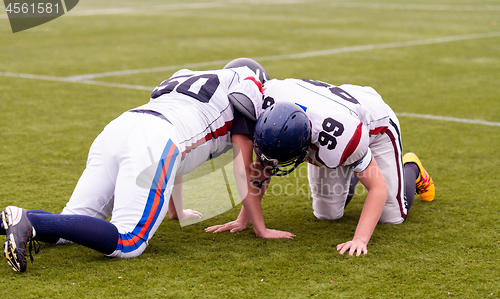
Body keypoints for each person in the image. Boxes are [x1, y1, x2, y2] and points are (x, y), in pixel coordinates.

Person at [1, 58, 295, 273]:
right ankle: (28, 221)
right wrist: (260, 228)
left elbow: (181, 151)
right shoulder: (248, 84)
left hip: (121, 126)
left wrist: (176, 210)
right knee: (129, 242)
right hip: (156, 140)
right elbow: (242, 169)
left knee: (67, 226)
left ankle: (21, 218)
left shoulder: (189, 76)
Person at [206, 78, 435, 256]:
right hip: (334, 114)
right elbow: (263, 168)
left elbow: (378, 188)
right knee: (326, 215)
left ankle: (411, 167)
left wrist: (360, 240)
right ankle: (353, 169)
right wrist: (242, 219)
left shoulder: (340, 138)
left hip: (375, 124)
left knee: (391, 216)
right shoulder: (268, 109)